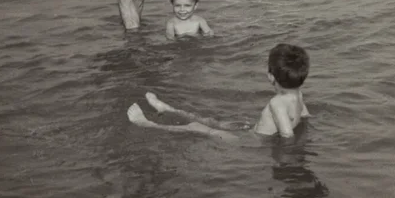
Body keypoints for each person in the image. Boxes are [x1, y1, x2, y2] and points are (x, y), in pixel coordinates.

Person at [128, 43, 310, 141]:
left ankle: (147, 124)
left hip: (250, 143)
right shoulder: (298, 94)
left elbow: (287, 135)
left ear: (271, 76)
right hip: (252, 134)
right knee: (214, 122)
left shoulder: (277, 102)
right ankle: (167, 109)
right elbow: (305, 117)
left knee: (197, 127)